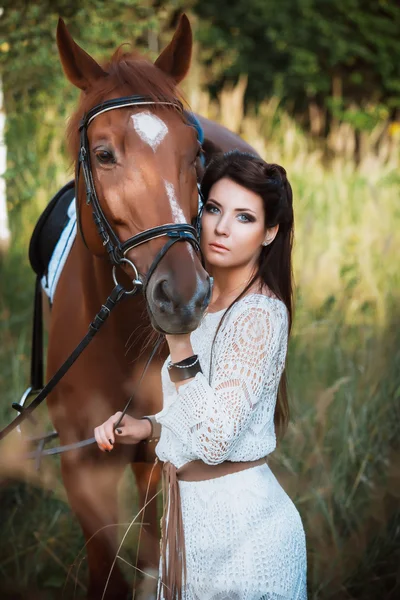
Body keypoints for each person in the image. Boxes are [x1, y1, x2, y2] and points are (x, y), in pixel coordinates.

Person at [94, 150, 307, 599]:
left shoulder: (259, 316)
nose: (222, 227)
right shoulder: (204, 302)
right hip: (192, 527)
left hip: (245, 538)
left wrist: (179, 342)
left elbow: (214, 440)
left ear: (270, 233)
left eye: (244, 217)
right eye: (213, 209)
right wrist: (149, 427)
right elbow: (201, 408)